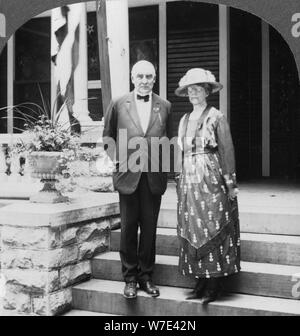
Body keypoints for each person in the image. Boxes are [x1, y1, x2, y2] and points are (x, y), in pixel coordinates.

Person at [103, 60, 173, 299]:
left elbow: (168, 141)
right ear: (133, 77)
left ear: (155, 79)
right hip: (128, 176)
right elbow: (107, 136)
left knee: (150, 229)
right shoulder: (118, 103)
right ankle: (130, 278)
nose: (144, 81)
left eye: (149, 77)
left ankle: (146, 277)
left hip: (154, 176)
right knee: (129, 228)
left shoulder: (165, 106)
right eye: (140, 76)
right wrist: (117, 161)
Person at [174, 68, 240, 304]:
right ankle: (199, 281)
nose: (193, 93)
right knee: (193, 226)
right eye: (190, 90)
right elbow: (180, 153)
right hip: (190, 182)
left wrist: (230, 183)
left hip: (211, 178)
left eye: (198, 89)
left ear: (207, 91)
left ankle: (215, 283)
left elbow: (226, 150)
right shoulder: (183, 120)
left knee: (212, 224)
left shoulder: (216, 117)